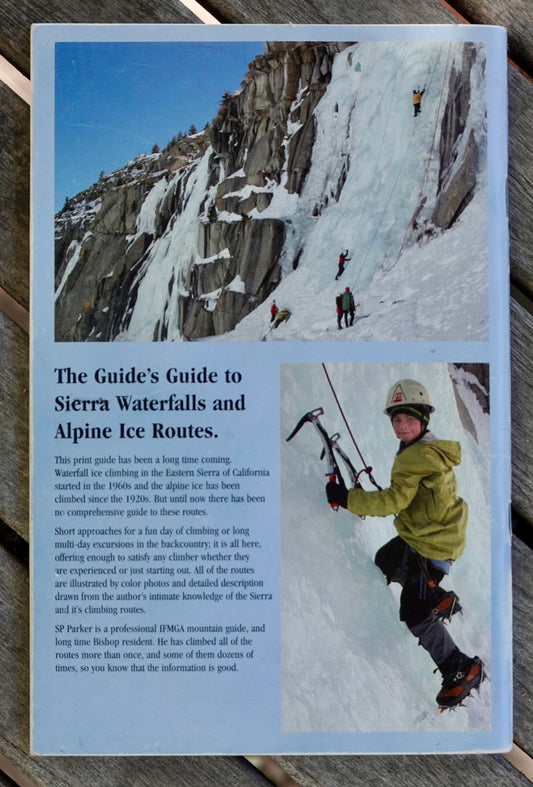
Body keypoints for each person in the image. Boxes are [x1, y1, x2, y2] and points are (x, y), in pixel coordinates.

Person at [325, 379, 484, 710]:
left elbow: (393, 501)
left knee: (414, 613)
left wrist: (347, 498)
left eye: (410, 419)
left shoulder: (416, 456)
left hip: (432, 547)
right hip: (428, 534)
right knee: (386, 559)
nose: (402, 426)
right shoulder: (427, 447)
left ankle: (459, 667)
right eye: (397, 419)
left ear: (423, 420)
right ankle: (438, 597)